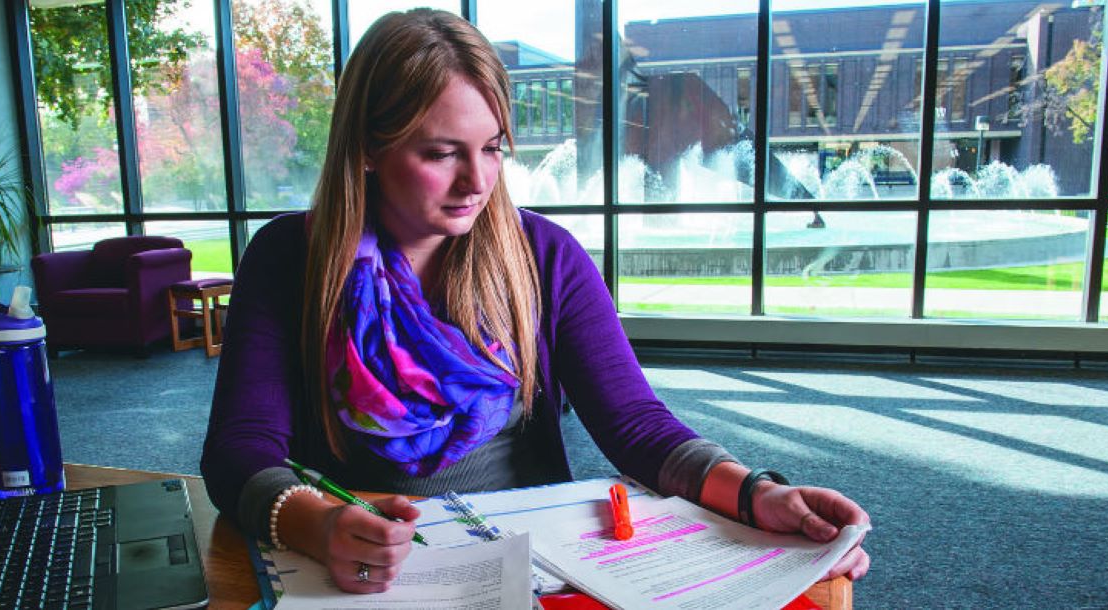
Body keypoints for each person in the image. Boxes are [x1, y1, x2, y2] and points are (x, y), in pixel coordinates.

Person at [201, 8, 870, 595]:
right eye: (441, 153)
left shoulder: (543, 255)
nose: (478, 181)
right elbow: (239, 449)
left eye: (492, 149)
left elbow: (636, 426)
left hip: (529, 569)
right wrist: (314, 522)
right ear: (370, 149)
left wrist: (758, 494)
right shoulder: (291, 258)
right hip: (363, 578)